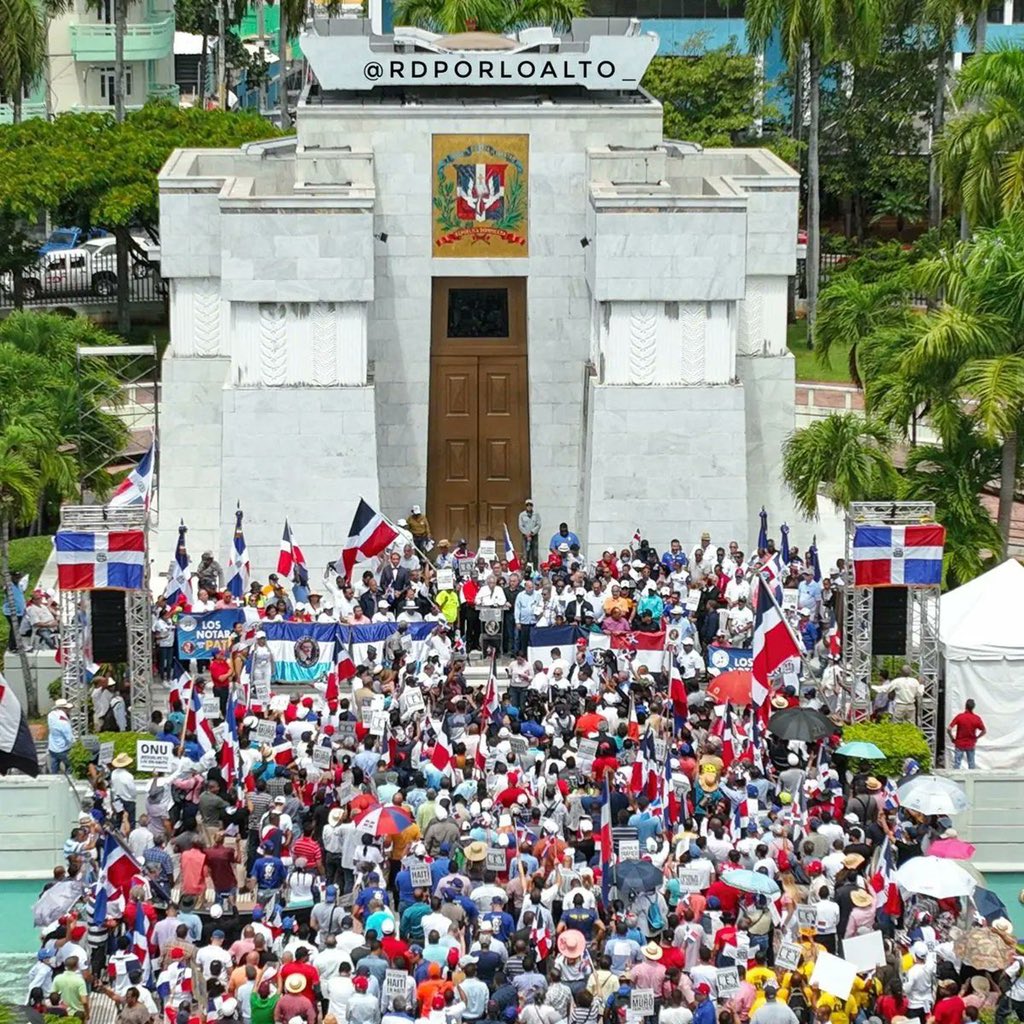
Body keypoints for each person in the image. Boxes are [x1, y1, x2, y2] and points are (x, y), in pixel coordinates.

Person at [947, 699, 986, 770]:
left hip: (959, 743)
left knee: (957, 764)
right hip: (970, 743)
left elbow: (949, 729)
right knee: (971, 764)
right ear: (973, 707)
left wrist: (952, 738)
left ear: (965, 706)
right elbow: (984, 730)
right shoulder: (976, 718)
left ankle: (956, 779)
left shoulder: (959, 717)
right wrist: (977, 737)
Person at [47, 699, 76, 775]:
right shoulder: (63, 722)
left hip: (52, 747)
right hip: (63, 749)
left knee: (54, 769)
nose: (69, 710)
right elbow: (69, 738)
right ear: (63, 709)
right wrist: (77, 745)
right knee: (71, 766)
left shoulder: (51, 716)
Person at [519, 500, 541, 568]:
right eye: (527, 505)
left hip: (534, 536)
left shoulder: (536, 514)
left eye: (530, 505)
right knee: (525, 554)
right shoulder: (522, 515)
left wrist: (532, 532)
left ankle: (535, 569)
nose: (529, 506)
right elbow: (520, 525)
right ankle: (525, 569)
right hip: (525, 536)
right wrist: (526, 534)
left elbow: (538, 524)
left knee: (534, 554)